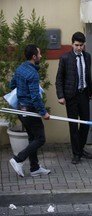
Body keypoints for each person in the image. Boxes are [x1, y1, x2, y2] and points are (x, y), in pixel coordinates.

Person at [9, 44, 51, 177]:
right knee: (40, 138)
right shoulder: (33, 74)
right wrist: (43, 112)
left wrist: (22, 92)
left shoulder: (20, 68)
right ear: (34, 57)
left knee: (33, 138)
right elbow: (35, 97)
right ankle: (18, 159)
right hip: (30, 111)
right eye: (39, 54)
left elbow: (12, 85)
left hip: (21, 110)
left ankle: (34, 168)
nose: (40, 56)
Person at [55, 32, 92, 164]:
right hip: (71, 96)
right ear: (72, 44)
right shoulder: (65, 58)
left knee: (86, 123)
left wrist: (91, 89)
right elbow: (59, 78)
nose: (79, 48)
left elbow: (88, 75)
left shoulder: (87, 57)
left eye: (81, 45)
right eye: (76, 45)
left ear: (84, 45)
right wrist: (61, 96)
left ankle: (81, 148)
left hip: (84, 94)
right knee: (73, 125)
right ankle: (76, 154)